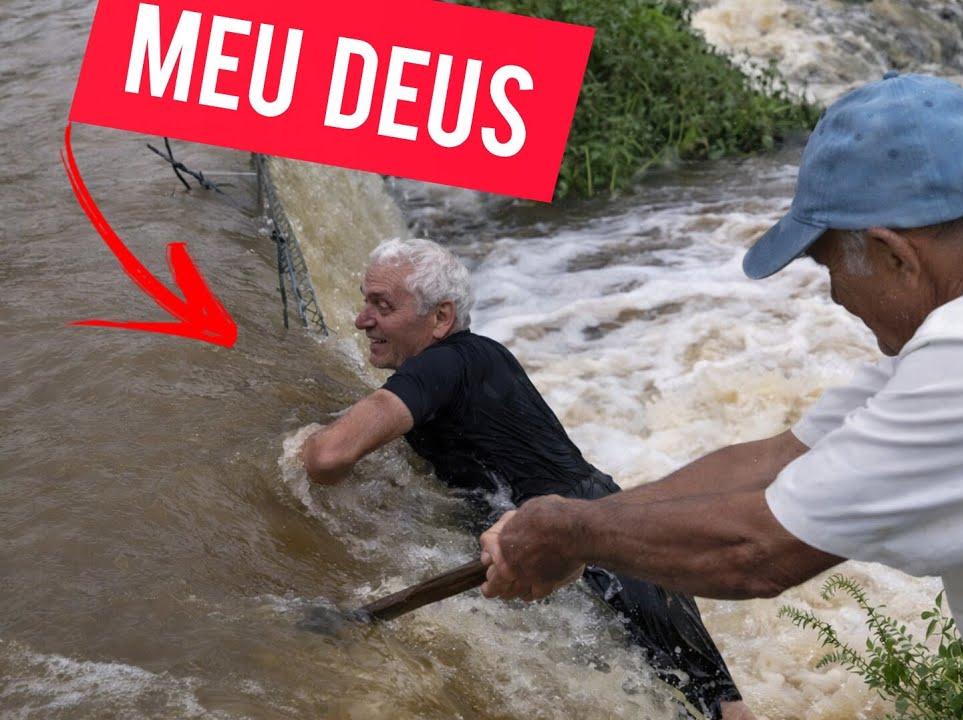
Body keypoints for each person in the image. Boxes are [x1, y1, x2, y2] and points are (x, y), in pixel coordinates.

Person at [476, 72, 963, 719]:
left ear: (896, 255)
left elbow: (757, 550)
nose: (832, 298)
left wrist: (574, 534)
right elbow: (779, 461)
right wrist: (570, 518)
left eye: (830, 266)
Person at [300, 237, 753, 720]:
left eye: (382, 306)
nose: (362, 319)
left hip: (586, 556)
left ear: (441, 318)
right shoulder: (478, 356)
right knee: (715, 707)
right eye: (365, 300)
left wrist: (292, 441)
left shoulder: (441, 364)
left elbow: (328, 456)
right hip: (617, 533)